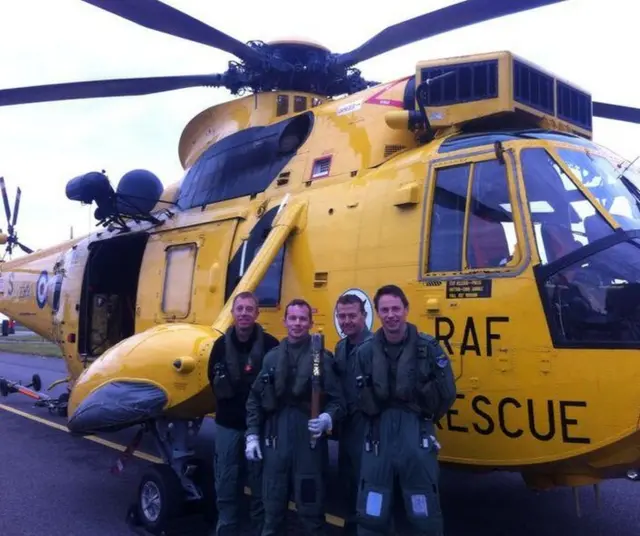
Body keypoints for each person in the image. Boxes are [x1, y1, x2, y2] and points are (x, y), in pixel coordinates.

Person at [353, 284, 457, 536]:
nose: (391, 315)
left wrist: (426, 421)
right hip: (378, 436)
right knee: (372, 509)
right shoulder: (365, 352)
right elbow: (357, 393)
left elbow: (447, 393)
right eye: (385, 310)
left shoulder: (428, 348)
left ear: (406, 310)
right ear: (378, 313)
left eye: (396, 308)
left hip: (416, 431)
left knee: (422, 508)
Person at [245, 298, 345, 535]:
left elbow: (339, 400)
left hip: (308, 444)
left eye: (302, 319)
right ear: (285, 320)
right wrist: (251, 436)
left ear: (310, 323)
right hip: (275, 441)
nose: (297, 323)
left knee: (311, 514)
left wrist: (327, 418)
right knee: (272, 511)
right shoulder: (271, 359)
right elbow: (254, 400)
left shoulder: (321, 359)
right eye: (293, 318)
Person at [207, 291, 280, 536]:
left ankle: (259, 530)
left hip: (260, 427)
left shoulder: (271, 346)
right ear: (233, 313)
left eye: (250, 309)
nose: (244, 314)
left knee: (260, 484)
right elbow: (212, 379)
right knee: (226, 483)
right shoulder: (219, 347)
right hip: (228, 425)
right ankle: (226, 529)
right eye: (240, 309)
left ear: (257, 313)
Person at [333, 293, 372, 535]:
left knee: (368, 484)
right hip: (347, 427)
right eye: (342, 316)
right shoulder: (341, 347)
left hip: (368, 428)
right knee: (347, 483)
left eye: (351, 315)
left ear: (364, 316)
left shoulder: (376, 347)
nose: (346, 321)